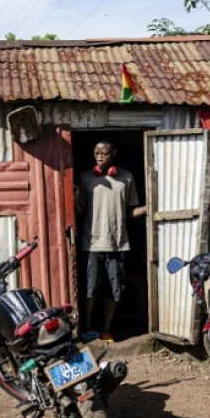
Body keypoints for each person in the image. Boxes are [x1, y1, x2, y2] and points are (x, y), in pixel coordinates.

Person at [75, 141, 147, 341]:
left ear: (114, 153)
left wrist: (149, 208)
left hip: (118, 243)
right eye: (96, 152)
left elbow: (131, 210)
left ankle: (107, 329)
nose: (100, 156)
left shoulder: (126, 178)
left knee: (114, 288)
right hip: (92, 243)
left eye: (104, 153)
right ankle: (88, 328)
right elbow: (80, 212)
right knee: (91, 288)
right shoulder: (86, 178)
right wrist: (75, 199)